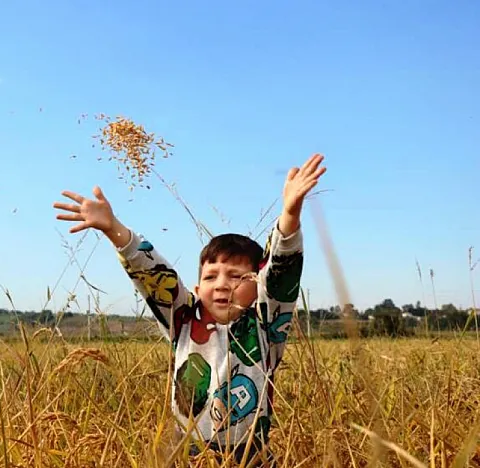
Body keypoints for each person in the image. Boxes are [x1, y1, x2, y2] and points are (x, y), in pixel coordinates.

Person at [53, 154, 326, 465]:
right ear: (197, 290)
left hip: (252, 453)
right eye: (211, 277)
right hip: (189, 453)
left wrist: (290, 216)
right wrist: (114, 229)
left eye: (237, 276)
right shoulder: (182, 319)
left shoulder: (266, 327)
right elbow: (154, 276)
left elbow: (281, 274)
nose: (223, 284)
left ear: (258, 288)